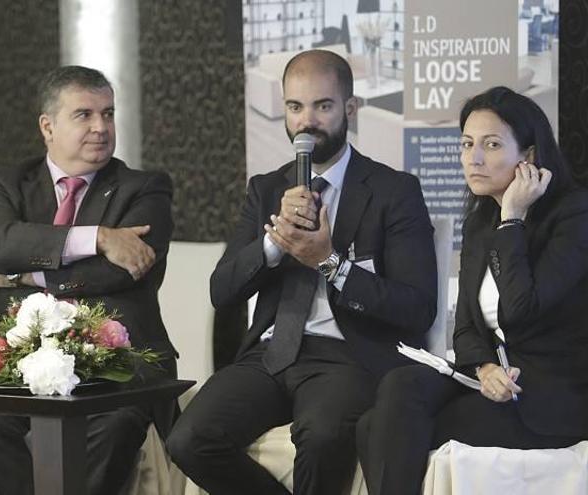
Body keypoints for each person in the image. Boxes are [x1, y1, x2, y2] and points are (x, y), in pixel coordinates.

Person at [165, 49, 437, 495]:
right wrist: (274, 242)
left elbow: (417, 307)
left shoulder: (394, 191)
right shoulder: (266, 189)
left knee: (324, 436)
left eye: (322, 106)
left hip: (348, 355)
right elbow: (222, 290)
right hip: (269, 355)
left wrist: (330, 263)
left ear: (350, 109)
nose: (306, 122)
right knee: (189, 439)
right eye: (295, 107)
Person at [0, 65, 176, 495]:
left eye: (108, 114)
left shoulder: (144, 188)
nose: (101, 127)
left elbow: (118, 270)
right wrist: (98, 237)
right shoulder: (5, 181)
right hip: (10, 361)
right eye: (84, 115)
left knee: (115, 425)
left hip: (114, 366)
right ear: (47, 126)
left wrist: (23, 272)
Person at [357, 86, 588, 494]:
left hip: (549, 396)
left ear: (529, 157)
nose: (473, 158)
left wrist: (513, 219)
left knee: (377, 428)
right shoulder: (483, 220)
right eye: (466, 144)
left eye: (492, 144)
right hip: (490, 380)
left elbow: (520, 309)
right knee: (397, 388)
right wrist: (483, 369)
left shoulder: (573, 215)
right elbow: (465, 328)